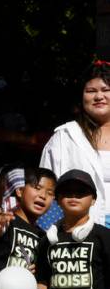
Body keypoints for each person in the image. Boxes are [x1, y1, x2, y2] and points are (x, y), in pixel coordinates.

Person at [39, 60, 110, 229]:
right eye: (91, 91)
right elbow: (45, 190)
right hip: (79, 230)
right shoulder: (65, 137)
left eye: (106, 90)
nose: (99, 96)